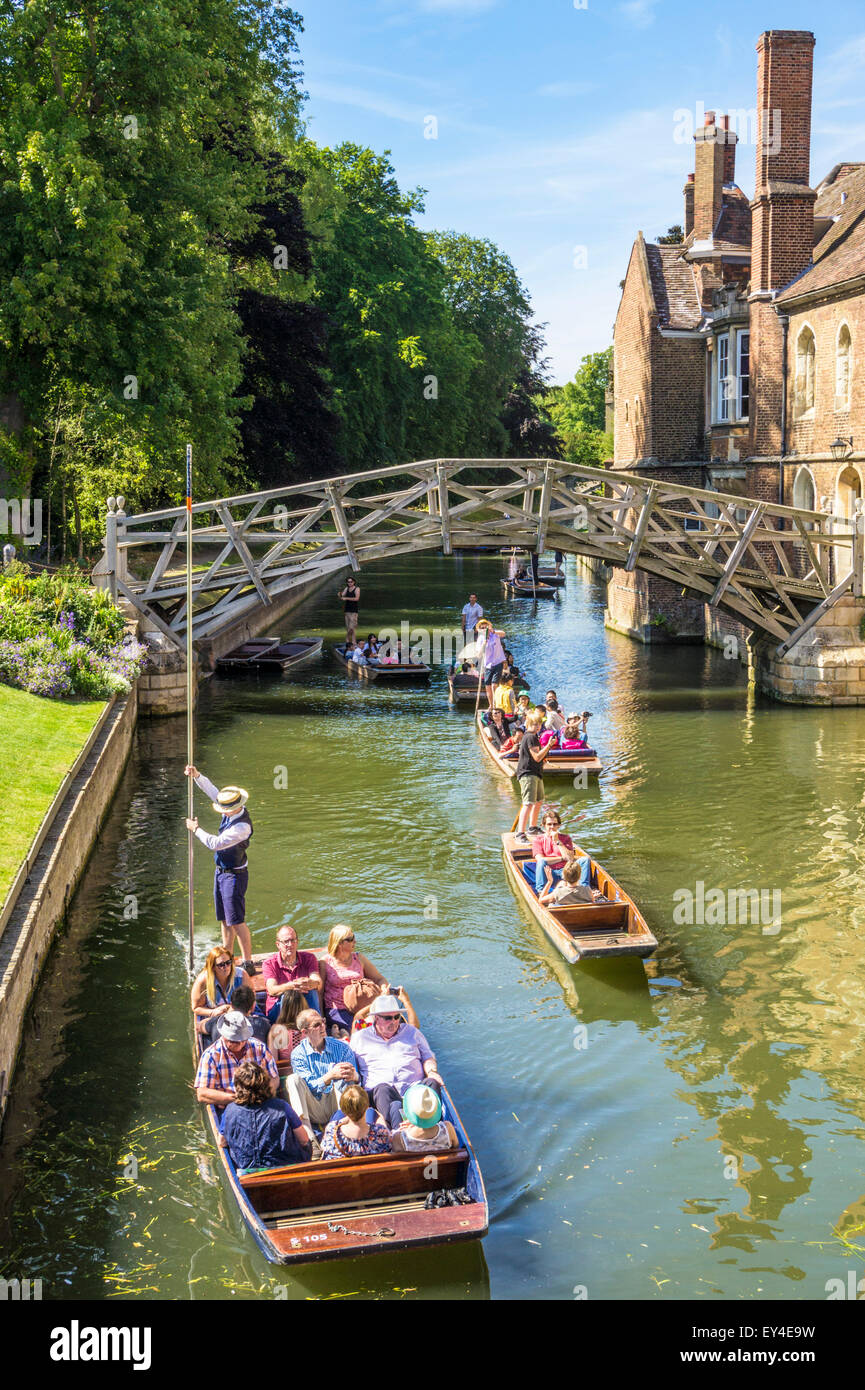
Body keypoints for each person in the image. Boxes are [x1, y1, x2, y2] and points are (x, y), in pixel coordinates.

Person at [184, 766, 254, 971]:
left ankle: (248, 961)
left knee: (237, 921)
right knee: (225, 919)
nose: (221, 810)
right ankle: (228, 955)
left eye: (224, 809)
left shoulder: (242, 827)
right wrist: (197, 776)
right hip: (221, 872)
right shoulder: (230, 810)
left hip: (235, 875)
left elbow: (215, 843)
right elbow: (213, 792)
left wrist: (196, 829)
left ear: (234, 807)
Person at [352, 995, 443, 1129]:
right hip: (380, 1094)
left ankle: (435, 1130)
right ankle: (398, 1133)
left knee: (432, 1083)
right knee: (383, 1090)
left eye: (397, 1017)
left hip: (414, 1090)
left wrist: (432, 1071)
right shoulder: (360, 1038)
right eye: (388, 1018)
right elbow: (351, 1065)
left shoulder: (412, 1032)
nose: (394, 1021)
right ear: (376, 1018)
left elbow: (428, 1057)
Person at [286, 1010, 359, 1157]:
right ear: (305, 1032)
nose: (323, 1026)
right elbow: (309, 1087)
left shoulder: (342, 1047)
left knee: (342, 1072)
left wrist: (354, 1076)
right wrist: (330, 1076)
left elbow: (356, 1080)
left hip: (338, 1102)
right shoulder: (298, 1054)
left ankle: (342, 1134)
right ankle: (310, 1140)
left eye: (323, 1022)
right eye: (317, 1025)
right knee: (292, 1080)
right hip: (313, 1105)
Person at [218, 1062, 311, 1173]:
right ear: (265, 1084)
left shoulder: (230, 1110)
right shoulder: (282, 1106)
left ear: (238, 1086)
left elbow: (222, 1142)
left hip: (245, 1171)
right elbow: (304, 1140)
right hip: (284, 1168)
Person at [194, 1010, 279, 1110]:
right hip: (228, 1106)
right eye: (228, 1039)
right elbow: (202, 1093)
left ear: (245, 1039)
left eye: (235, 1041)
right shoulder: (210, 1055)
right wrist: (239, 1099)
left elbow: (274, 1078)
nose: (230, 1044)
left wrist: (261, 1096)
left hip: (260, 1103)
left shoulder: (259, 1048)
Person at [319, 924, 390, 1035]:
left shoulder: (359, 958)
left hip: (364, 1006)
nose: (355, 941)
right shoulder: (325, 962)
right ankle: (344, 1036)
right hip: (338, 1010)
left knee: (381, 1026)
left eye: (354, 937)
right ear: (339, 943)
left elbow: (379, 978)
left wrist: (384, 988)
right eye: (351, 939)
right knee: (363, 1030)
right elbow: (320, 992)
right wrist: (321, 1017)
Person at [261, 927, 322, 1021]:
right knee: (287, 995)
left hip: (303, 1004)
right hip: (278, 1008)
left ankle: (316, 1025)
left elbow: (317, 981)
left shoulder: (309, 958)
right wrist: (291, 986)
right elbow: (272, 989)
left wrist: (310, 983)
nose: (290, 944)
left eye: (293, 940)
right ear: (278, 944)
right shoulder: (269, 963)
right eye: (286, 941)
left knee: (311, 991)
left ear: (297, 942)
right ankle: (288, 1030)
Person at [514, 712, 557, 843]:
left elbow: (537, 758)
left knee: (538, 801)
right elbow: (537, 756)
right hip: (528, 774)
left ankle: (532, 827)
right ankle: (520, 833)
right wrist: (549, 745)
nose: (537, 726)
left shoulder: (533, 737)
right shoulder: (530, 737)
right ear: (528, 724)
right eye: (534, 724)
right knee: (528, 803)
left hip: (535, 773)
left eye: (539, 723)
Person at [190, 947, 253, 1034]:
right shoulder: (203, 981)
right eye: (221, 965)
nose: (226, 967)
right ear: (212, 967)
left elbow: (251, 1002)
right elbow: (196, 1007)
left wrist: (233, 1011)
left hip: (242, 1017)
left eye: (228, 962)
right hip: (216, 1020)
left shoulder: (242, 975)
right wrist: (213, 1012)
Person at [320, 1084, 392, 1160]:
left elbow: (324, 1149)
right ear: (366, 1106)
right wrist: (381, 1119)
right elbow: (389, 1142)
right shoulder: (379, 1133)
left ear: (343, 1108)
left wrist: (347, 1118)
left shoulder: (332, 1131)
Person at [391, 1082, 458, 1154]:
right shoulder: (448, 1128)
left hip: (416, 1165)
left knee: (395, 1105)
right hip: (444, 1164)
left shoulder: (399, 1138)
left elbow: (396, 1155)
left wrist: (398, 1131)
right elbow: (456, 1148)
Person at [531, 809, 577, 895]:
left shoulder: (566, 838)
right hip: (549, 872)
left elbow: (570, 859)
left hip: (565, 871)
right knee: (541, 862)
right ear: (543, 825)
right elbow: (540, 860)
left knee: (585, 860)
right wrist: (561, 858)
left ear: (559, 825)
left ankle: (584, 888)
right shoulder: (538, 839)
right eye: (549, 824)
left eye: (555, 824)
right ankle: (541, 892)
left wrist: (557, 841)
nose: (552, 827)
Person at [538, 856, 605, 907]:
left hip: (564, 916)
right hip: (582, 914)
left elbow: (541, 900)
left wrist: (549, 881)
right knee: (562, 883)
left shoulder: (558, 892)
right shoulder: (587, 889)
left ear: (564, 876)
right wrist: (594, 897)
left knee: (561, 883)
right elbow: (592, 901)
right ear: (580, 876)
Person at [267, 990, 306, 1071]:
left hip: (285, 1076)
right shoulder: (310, 1028)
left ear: (283, 1007)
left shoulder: (276, 1030)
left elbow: (273, 1062)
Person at [476, 619, 507, 711]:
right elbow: (478, 655)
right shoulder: (480, 639)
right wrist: (483, 645)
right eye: (482, 628)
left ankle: (496, 704)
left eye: (486, 627)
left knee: (494, 685)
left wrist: (493, 631)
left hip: (498, 662)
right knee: (488, 686)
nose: (485, 629)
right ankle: (491, 705)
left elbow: (503, 633)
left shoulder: (495, 635)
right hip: (488, 665)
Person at [338, 576, 360, 641]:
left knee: (351, 628)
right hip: (347, 610)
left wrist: (346, 598)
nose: (350, 583)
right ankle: (353, 642)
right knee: (349, 628)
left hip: (354, 610)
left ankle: (347, 639)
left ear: (354, 582)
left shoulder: (357, 589)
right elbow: (342, 597)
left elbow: (357, 598)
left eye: (351, 582)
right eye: (348, 582)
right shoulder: (346, 588)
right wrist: (339, 595)